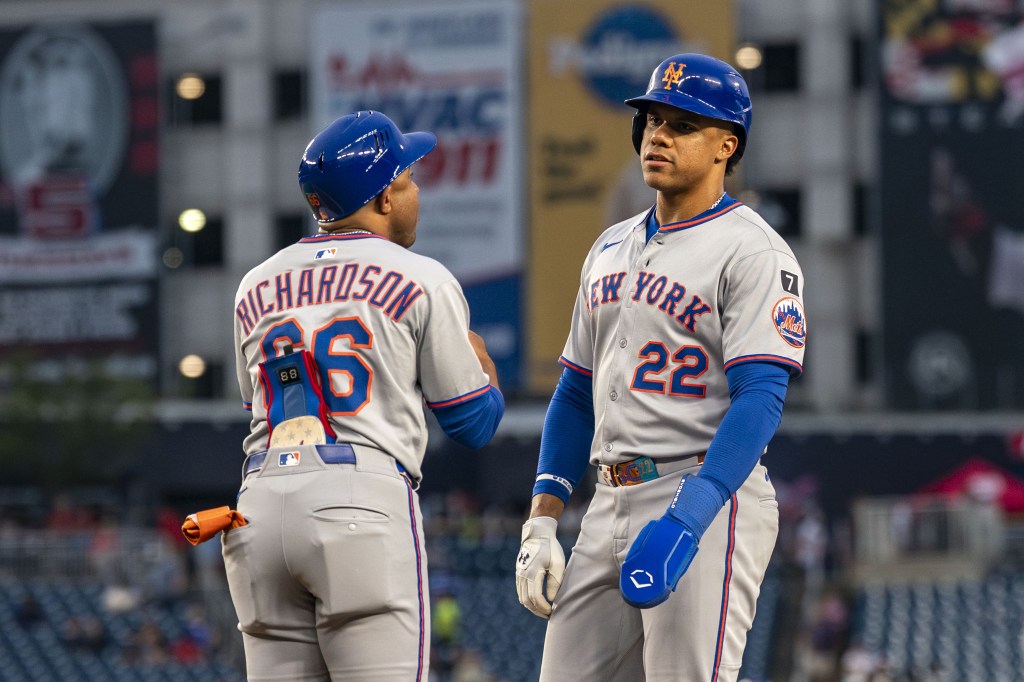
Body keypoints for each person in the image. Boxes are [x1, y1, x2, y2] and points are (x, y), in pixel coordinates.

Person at [515, 54, 807, 681]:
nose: (658, 135)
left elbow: (761, 396)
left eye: (683, 124)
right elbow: (573, 393)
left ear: (727, 145)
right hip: (605, 501)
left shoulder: (751, 248)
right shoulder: (609, 244)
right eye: (652, 120)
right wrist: (541, 519)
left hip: (701, 491)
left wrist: (690, 515)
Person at [225, 110, 504, 681]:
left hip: (256, 507)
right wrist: (482, 361)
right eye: (406, 180)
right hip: (358, 500)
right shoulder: (420, 275)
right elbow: (474, 424)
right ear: (381, 199)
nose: (416, 192)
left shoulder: (255, 283)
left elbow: (252, 406)